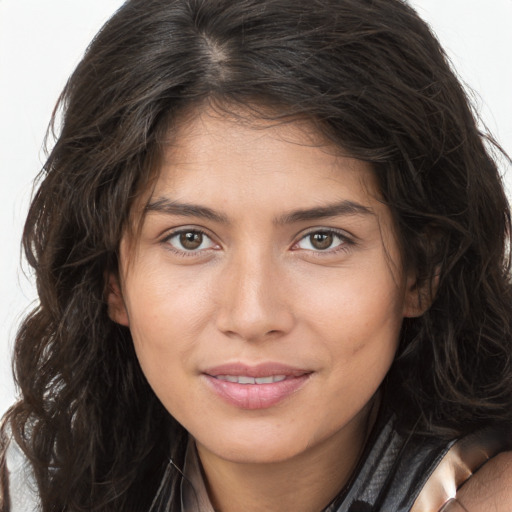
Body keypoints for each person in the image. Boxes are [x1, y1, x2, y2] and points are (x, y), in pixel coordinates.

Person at [1, 0, 512, 510]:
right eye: (190, 239)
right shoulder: (32, 483)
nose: (252, 316)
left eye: (321, 239)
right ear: (111, 277)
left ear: (421, 272)